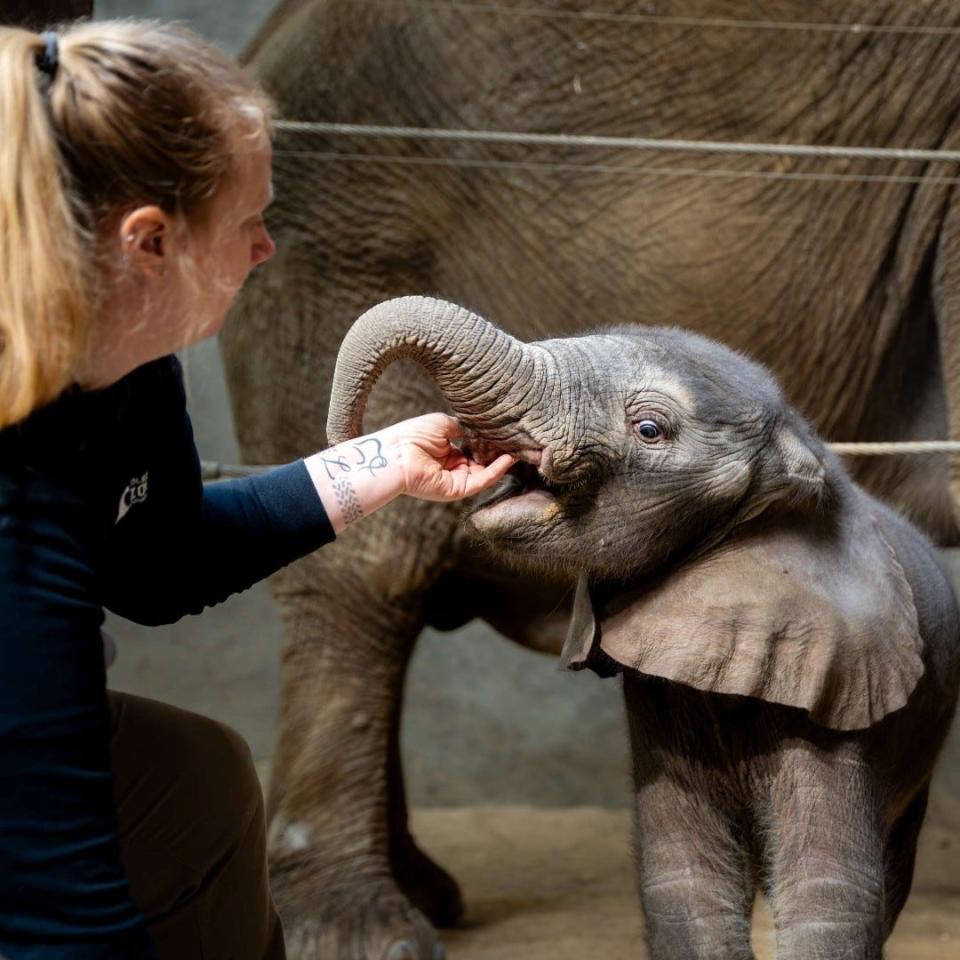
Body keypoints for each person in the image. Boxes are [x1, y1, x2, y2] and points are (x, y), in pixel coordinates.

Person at [0, 20, 514, 960]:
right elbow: (64, 917)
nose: (268, 248)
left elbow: (162, 562)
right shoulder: (16, 490)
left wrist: (387, 463)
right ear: (148, 243)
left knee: (199, 778)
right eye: (248, 224)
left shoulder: (124, 364)